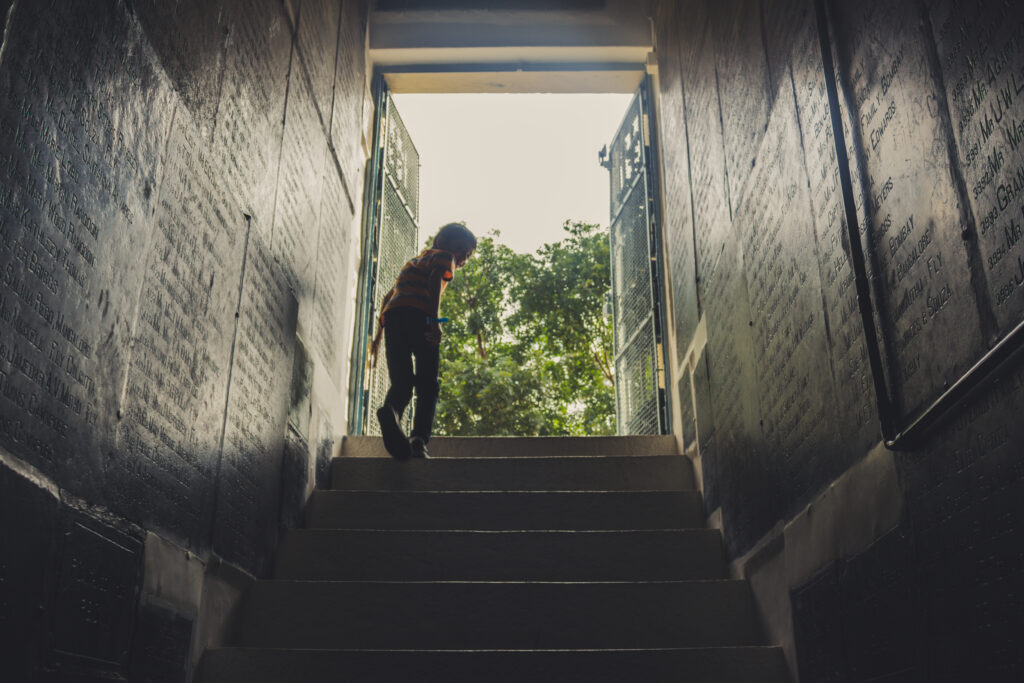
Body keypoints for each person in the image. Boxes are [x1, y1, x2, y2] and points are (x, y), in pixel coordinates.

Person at [370, 222, 477, 459]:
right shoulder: (443, 257)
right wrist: (434, 320)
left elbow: (392, 297)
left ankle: (392, 411)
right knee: (428, 383)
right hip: (421, 319)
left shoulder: (414, 262)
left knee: (403, 380)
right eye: (461, 250)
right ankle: (419, 439)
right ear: (442, 243)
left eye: (467, 255)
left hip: (395, 320)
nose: (462, 258)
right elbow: (435, 280)